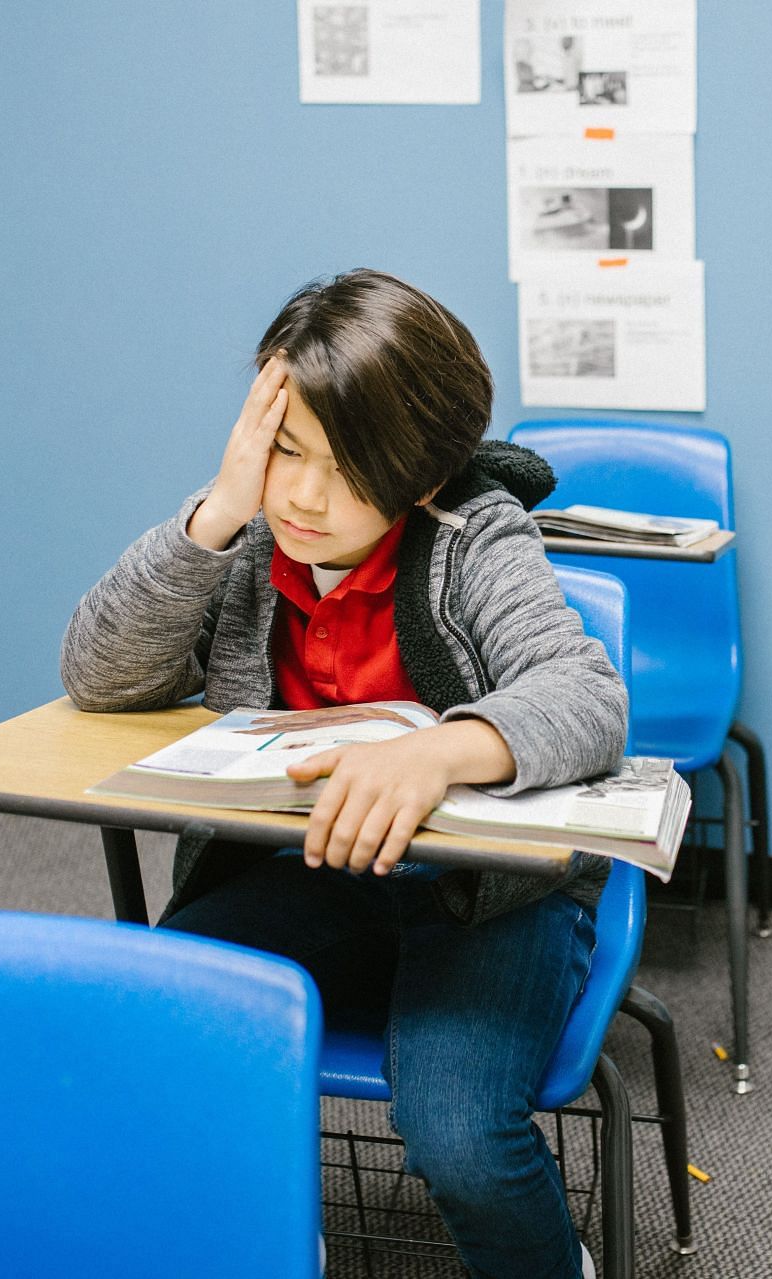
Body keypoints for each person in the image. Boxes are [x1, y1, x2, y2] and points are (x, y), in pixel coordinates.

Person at [60, 268, 624, 1279]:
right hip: (306, 870)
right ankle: (272, 1242)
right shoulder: (248, 534)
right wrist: (219, 512)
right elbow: (100, 676)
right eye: (283, 451)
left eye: (345, 466)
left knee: (458, 1134)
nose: (305, 496)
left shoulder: (473, 535)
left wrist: (439, 750)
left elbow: (587, 696)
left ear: (419, 471)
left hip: (487, 895)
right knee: (156, 1026)